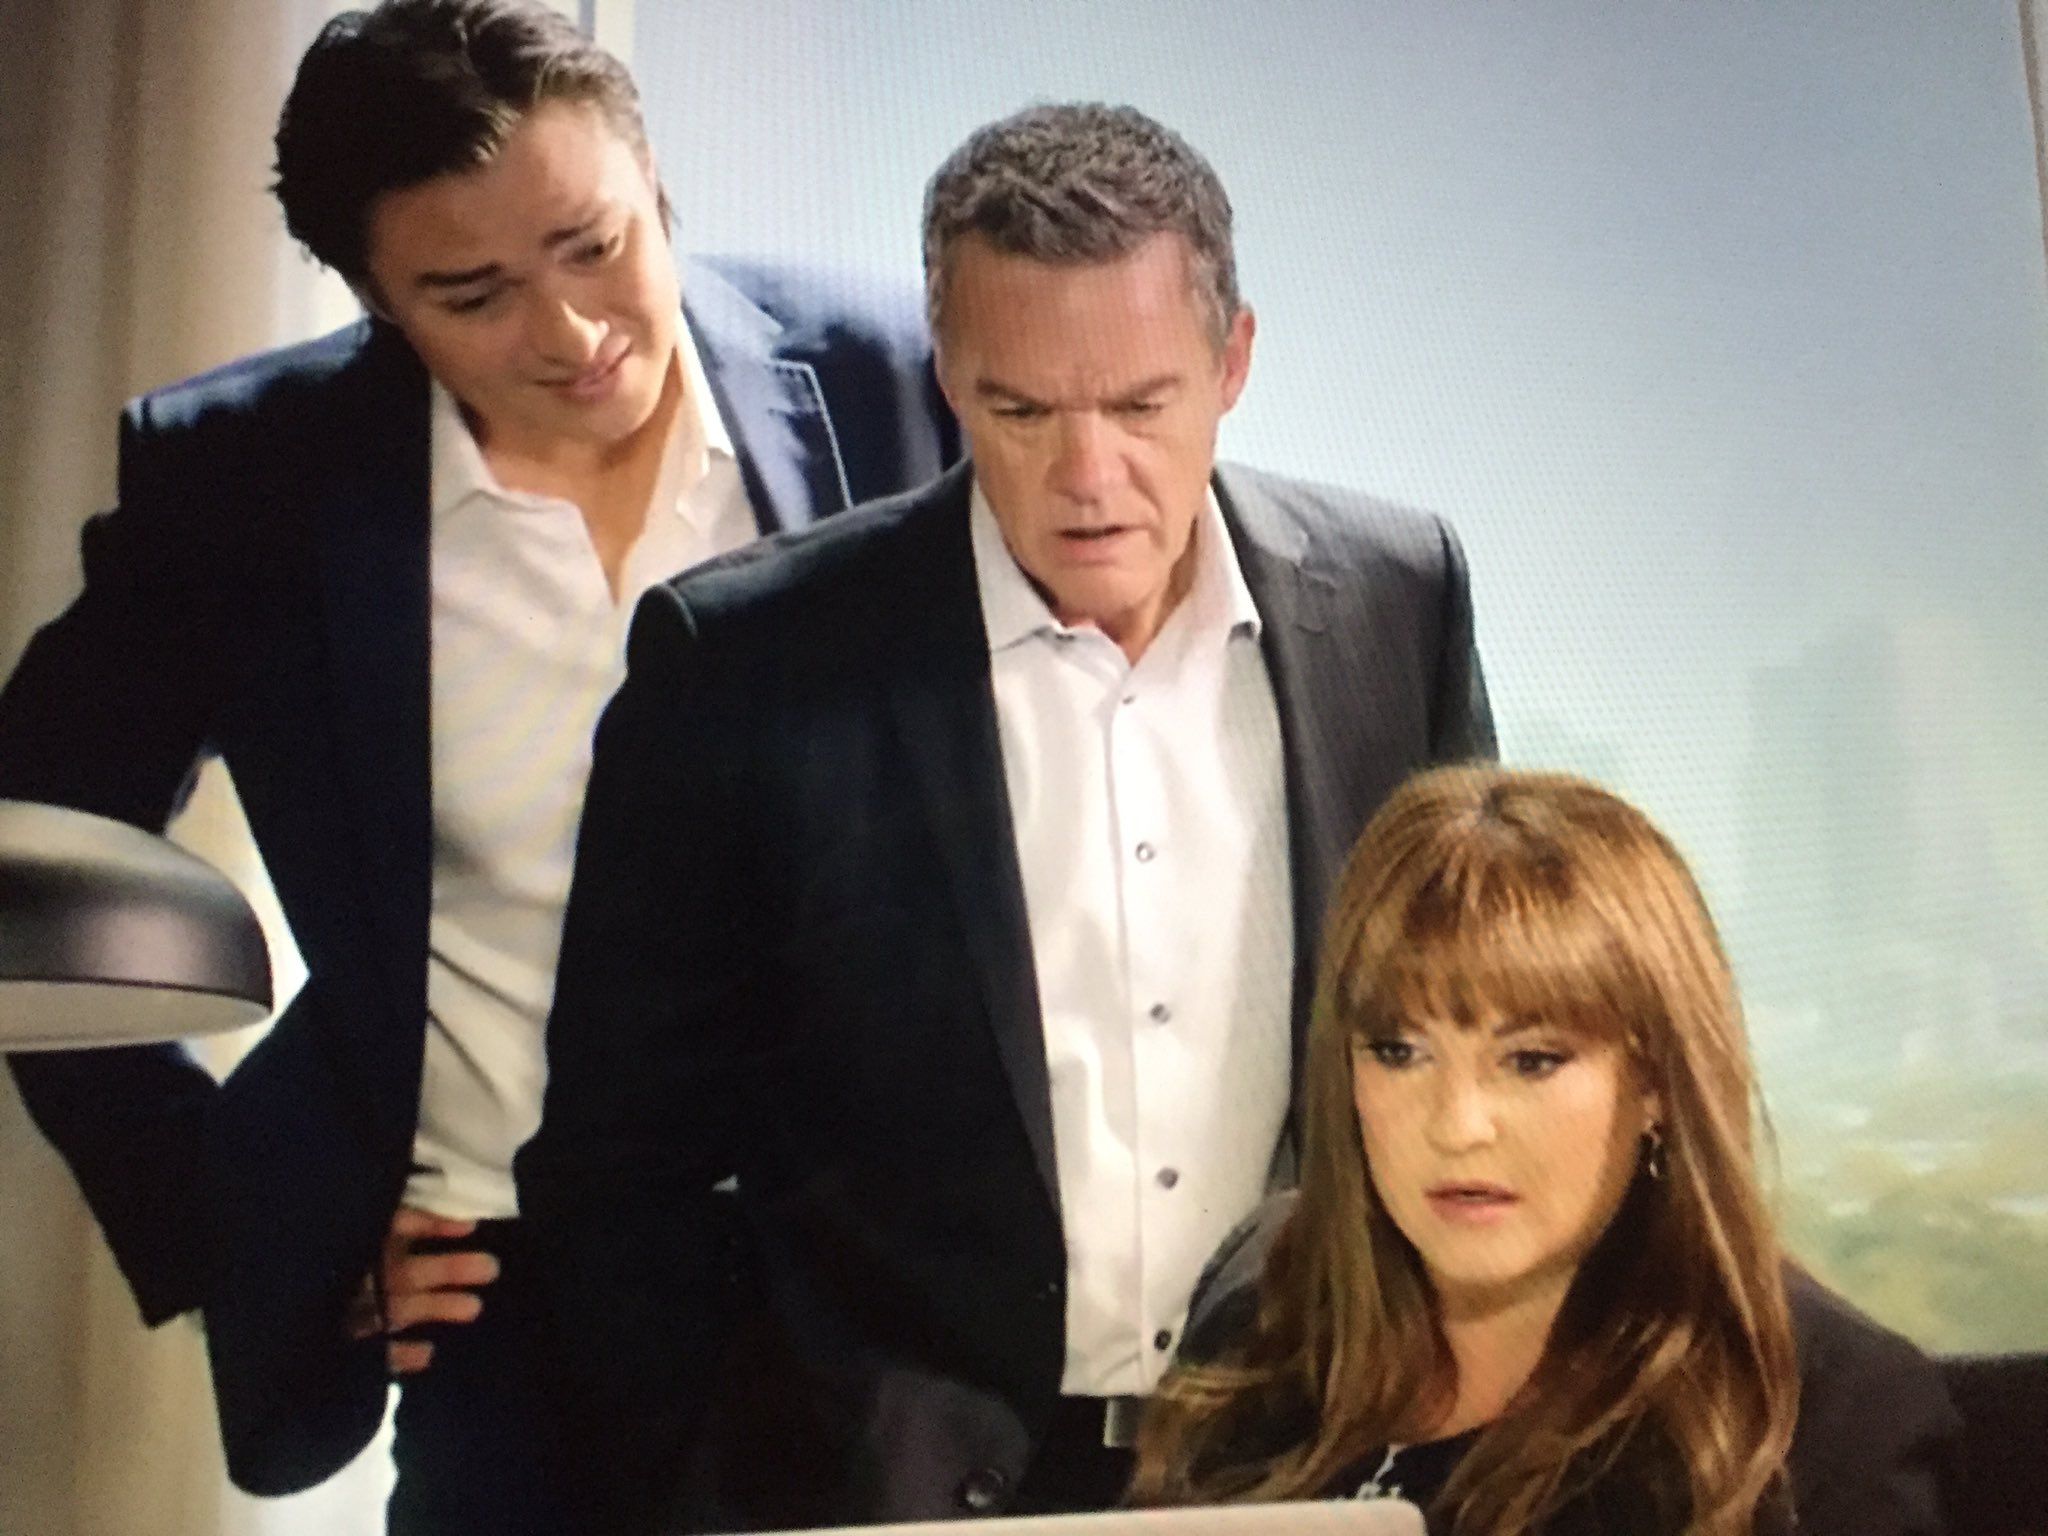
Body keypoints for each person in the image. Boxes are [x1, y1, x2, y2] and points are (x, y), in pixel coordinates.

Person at [0, 1, 954, 1530]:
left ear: (653, 179)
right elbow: (26, 856)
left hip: (912, 1299)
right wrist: (238, 1213)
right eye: (474, 294)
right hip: (519, 1328)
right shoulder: (251, 481)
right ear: (377, 298)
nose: (571, 334)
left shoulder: (902, 373)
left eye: (593, 245)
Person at [516, 101, 1493, 1532]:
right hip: (873, 1500)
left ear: (1232, 363)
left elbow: (1484, 1045)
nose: (1086, 477)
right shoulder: (742, 663)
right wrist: (700, 1486)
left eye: (1141, 406)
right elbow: (616, 1170)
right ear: (948, 380)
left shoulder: (1398, 600)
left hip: (1308, 1468)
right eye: (1022, 411)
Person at [1127, 765, 1959, 1535]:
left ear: (1656, 1083)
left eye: (1531, 1061)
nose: (1458, 1126)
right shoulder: (1263, 1311)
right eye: (1399, 1051)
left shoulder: (1819, 1419)